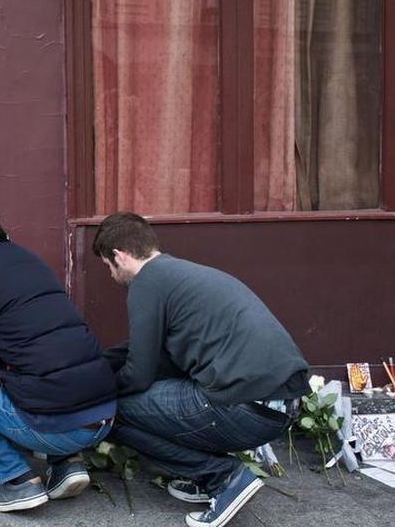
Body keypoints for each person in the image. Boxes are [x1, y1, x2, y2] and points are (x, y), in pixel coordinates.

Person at [93, 212, 308, 527]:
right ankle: (206, 478)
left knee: (110, 412)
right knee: (165, 394)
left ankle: (222, 478)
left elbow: (139, 373)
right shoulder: (181, 274)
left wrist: (90, 393)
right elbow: (143, 350)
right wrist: (93, 364)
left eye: (107, 267)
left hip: (245, 407)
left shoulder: (146, 283)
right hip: (282, 406)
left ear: (119, 256)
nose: (111, 275)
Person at [0, 200, 117, 513]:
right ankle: (67, 465)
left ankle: (16, 480)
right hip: (103, 417)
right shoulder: (28, 259)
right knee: (34, 368)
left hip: (58, 427)